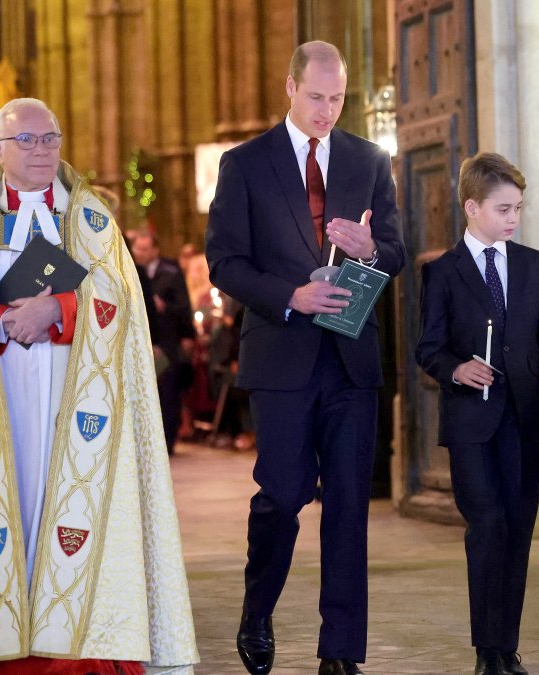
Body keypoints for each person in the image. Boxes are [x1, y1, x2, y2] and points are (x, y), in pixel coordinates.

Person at [0, 98, 197, 673]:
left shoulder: (89, 219)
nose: (42, 151)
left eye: (51, 139)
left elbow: (121, 302)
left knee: (63, 499)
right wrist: (3, 323)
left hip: (73, 393)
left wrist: (58, 311)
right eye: (27, 141)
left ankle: (73, 638)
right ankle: (1, 637)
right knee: (8, 498)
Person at [206, 40, 405, 675]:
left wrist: (370, 246)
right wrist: (289, 295)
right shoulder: (245, 163)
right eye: (317, 97)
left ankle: (341, 653)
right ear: (289, 87)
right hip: (281, 355)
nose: (327, 110)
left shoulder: (369, 160)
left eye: (338, 98)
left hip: (351, 359)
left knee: (349, 505)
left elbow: (396, 252)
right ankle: (257, 609)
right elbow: (225, 263)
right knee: (282, 496)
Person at [415, 152, 539, 675]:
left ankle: (507, 647)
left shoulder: (533, 265)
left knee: (518, 531)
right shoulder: (442, 272)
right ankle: (487, 650)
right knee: (487, 525)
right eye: (503, 208)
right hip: (470, 424)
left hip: (522, 420)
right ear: (472, 207)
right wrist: (457, 369)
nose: (513, 218)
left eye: (519, 208)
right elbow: (428, 347)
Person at [130, 229, 195, 454]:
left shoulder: (171, 272)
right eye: (137, 248)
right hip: (142, 340)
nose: (140, 253)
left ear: (155, 250)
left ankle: (167, 442)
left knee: (168, 393)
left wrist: (165, 308)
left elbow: (185, 306)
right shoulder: (130, 270)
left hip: (168, 341)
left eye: (145, 249)